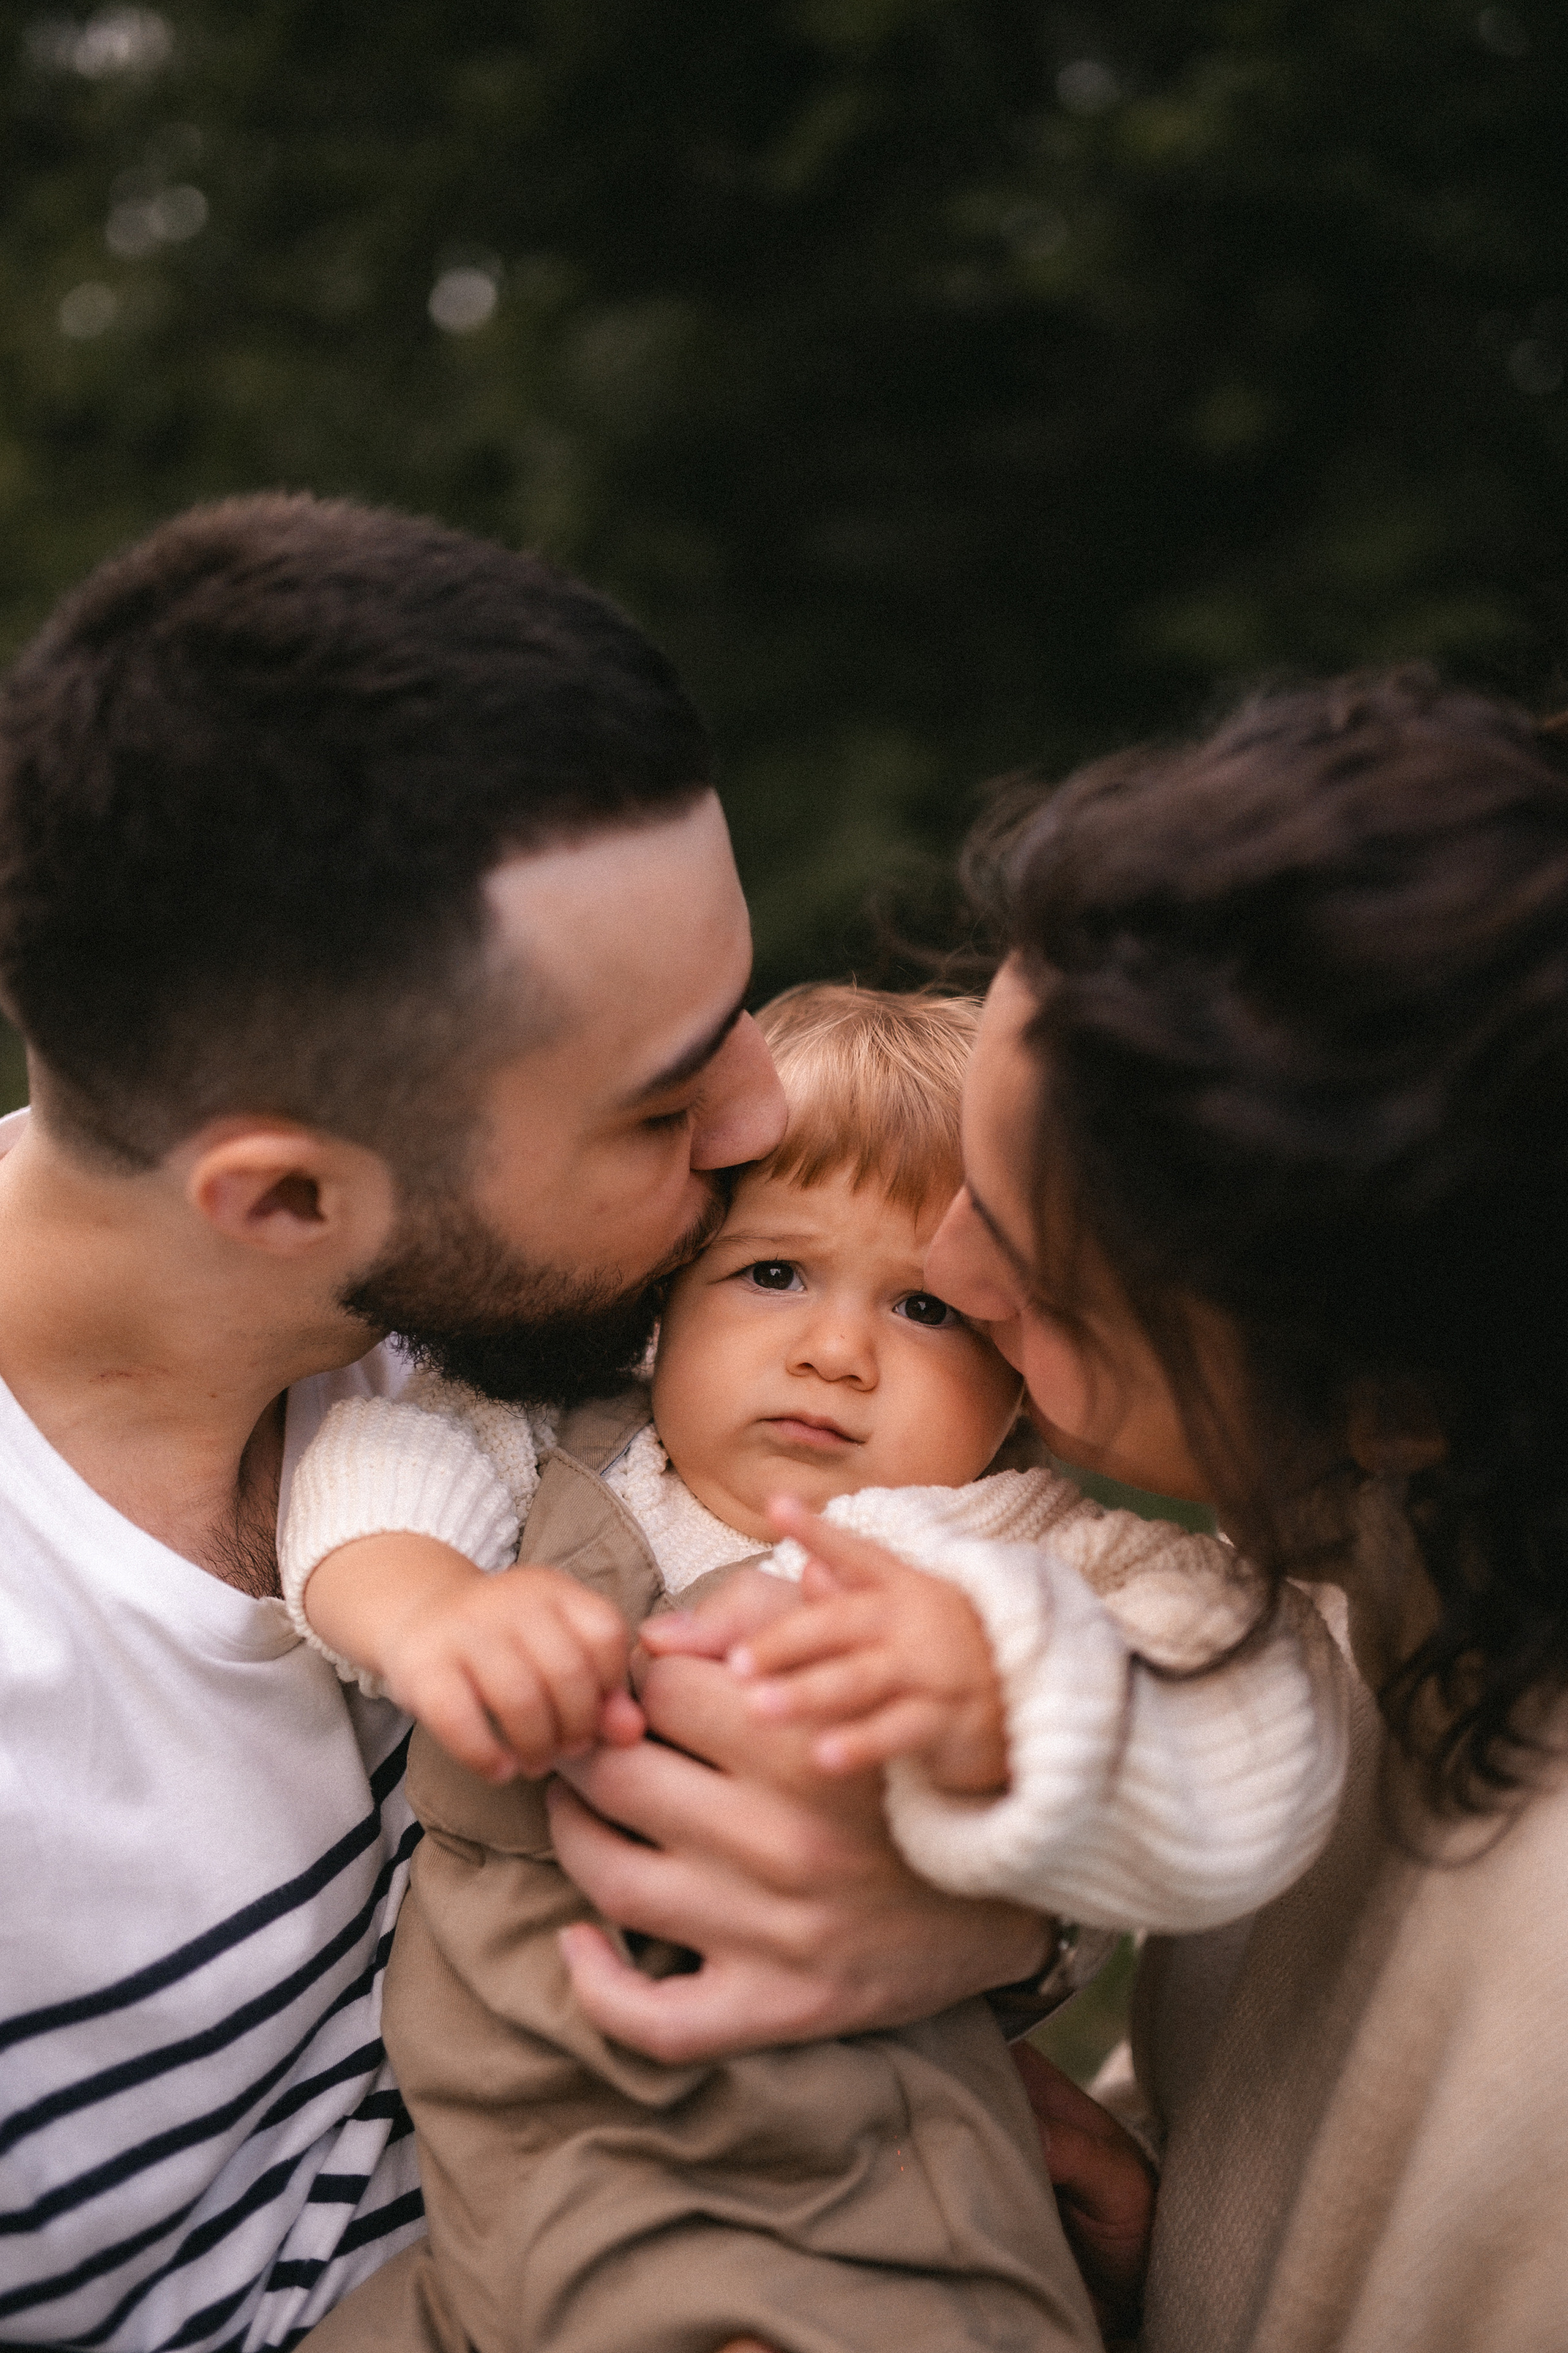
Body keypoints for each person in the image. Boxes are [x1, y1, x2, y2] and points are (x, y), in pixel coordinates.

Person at [0, 492, 1038, 2353]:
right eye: (658, 1110)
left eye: (734, 1014)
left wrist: (964, 1936)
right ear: (287, 1200)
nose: (751, 1130)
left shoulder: (525, 1317)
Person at [282, 984, 1344, 2353]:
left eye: (923, 1307)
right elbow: (374, 1475)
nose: (833, 1353)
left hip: (845, 2212)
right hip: (491, 2220)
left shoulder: (1022, 1550)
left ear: (1016, 1362)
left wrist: (1004, 1703)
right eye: (773, 1273)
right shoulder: (561, 1448)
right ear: (664, 1296)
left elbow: (1256, 1706)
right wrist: (424, 1611)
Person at [764, 669, 1568, 2348]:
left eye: (1046, 1278)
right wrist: (1151, 2212)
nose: (942, 1269)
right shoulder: (1401, 1533)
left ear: (1395, 1402)